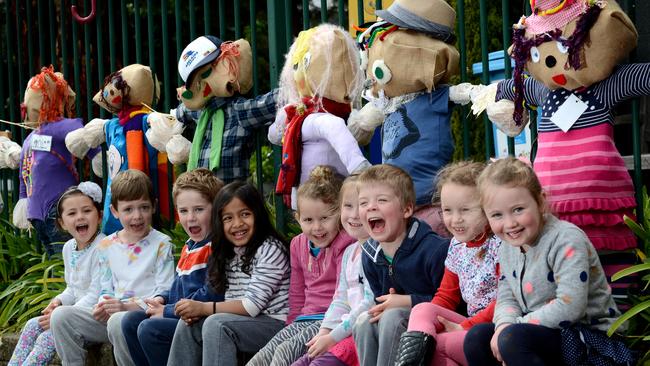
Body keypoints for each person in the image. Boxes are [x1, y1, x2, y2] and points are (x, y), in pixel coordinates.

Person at [464, 157, 633, 366]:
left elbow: (570, 308)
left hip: (587, 338)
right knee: (477, 337)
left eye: (518, 209)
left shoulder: (565, 238)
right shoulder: (507, 248)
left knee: (512, 339)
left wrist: (511, 328)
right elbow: (507, 298)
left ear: (541, 201)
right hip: (541, 333)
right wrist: (502, 325)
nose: (510, 223)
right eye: (497, 215)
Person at [50, 169, 175, 366]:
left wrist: (126, 307)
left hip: (143, 316)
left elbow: (164, 291)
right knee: (61, 316)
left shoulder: (161, 243)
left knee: (118, 321)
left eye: (143, 207)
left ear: (154, 207)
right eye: (128, 209)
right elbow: (106, 287)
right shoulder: (106, 245)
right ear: (115, 211)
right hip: (111, 314)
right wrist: (103, 303)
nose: (137, 216)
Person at [166, 181, 291, 366]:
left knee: (217, 324)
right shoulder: (230, 252)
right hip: (246, 323)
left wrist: (203, 308)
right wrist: (198, 313)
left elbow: (251, 307)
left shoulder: (270, 249)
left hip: (275, 324)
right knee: (190, 325)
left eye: (245, 214)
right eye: (228, 218)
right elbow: (231, 299)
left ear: (258, 215)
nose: (237, 223)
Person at [394, 161, 501, 366]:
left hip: (493, 327)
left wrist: (464, 326)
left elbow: (505, 300)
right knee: (423, 310)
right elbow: (445, 296)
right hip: (467, 326)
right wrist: (433, 322)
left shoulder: (499, 244)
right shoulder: (456, 246)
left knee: (436, 345)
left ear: (488, 207)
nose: (455, 219)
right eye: (447, 210)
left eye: (465, 210)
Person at [248, 166, 355, 366]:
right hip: (304, 319)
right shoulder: (297, 244)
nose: (317, 227)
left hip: (329, 321)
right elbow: (297, 292)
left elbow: (343, 294)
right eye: (308, 220)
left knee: (285, 351)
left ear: (339, 214)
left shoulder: (345, 242)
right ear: (298, 219)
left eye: (324, 218)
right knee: (260, 358)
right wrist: (290, 327)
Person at [120, 168, 225, 365]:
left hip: (200, 320)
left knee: (150, 330)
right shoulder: (189, 245)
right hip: (180, 314)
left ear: (216, 208)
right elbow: (179, 287)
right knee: (130, 321)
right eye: (183, 211)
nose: (190, 218)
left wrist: (167, 311)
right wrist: (161, 299)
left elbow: (211, 295)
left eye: (199, 209)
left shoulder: (217, 247)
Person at [353, 164, 449, 366]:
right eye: (363, 202)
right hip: (397, 329)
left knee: (392, 317)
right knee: (364, 322)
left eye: (382, 200)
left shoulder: (433, 250)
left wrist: (407, 301)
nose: (371, 207)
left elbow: (451, 302)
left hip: (434, 323)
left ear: (406, 209)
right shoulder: (370, 255)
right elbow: (381, 302)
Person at [8, 182, 105, 366]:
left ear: (99, 216)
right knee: (31, 326)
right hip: (70, 315)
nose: (80, 217)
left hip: (95, 318)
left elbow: (95, 295)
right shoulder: (69, 248)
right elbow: (72, 288)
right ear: (62, 222)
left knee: (48, 337)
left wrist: (60, 315)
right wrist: (58, 302)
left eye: (86, 211)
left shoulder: (104, 247)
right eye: (72, 213)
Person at [292, 175, 374, 366]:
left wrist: (332, 337)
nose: (354, 215)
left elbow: (369, 303)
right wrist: (324, 332)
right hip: (340, 331)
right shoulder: (349, 253)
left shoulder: (376, 252)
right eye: (348, 206)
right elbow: (340, 300)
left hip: (360, 335)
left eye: (361, 205)